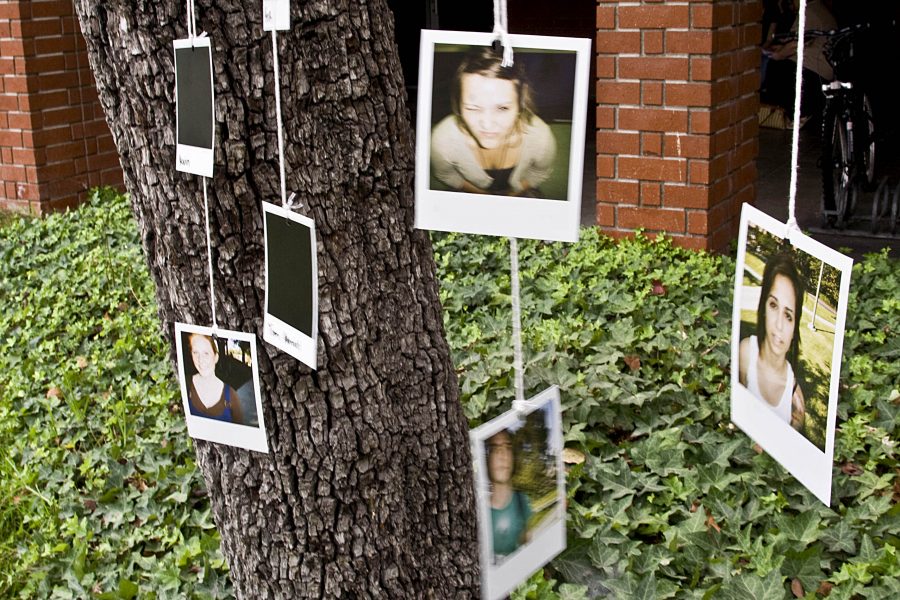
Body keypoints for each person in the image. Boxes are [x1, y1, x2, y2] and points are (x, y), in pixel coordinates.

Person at [431, 46, 556, 197]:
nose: (487, 125)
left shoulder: (540, 136)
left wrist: (512, 195)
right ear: (458, 105)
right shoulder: (443, 139)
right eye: (473, 108)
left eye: (502, 108)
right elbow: (446, 174)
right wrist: (480, 195)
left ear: (520, 104)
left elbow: (539, 172)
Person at [739, 253, 806, 431]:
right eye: (773, 306)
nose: (778, 325)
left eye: (788, 315)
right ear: (763, 308)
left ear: (794, 329)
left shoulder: (795, 399)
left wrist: (796, 427)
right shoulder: (746, 354)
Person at [486, 429, 531, 559]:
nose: (503, 456)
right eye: (495, 449)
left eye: (508, 448)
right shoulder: (476, 509)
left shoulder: (523, 501)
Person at [186, 333, 245, 425]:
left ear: (216, 357)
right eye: (195, 353)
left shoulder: (230, 395)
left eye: (206, 353)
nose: (200, 359)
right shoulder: (186, 385)